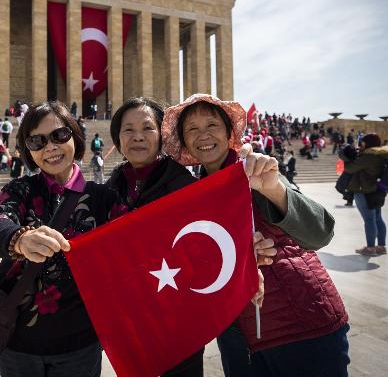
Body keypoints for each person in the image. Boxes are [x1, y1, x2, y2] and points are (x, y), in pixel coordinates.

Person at [162, 94, 348, 377]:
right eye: (192, 129)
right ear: (185, 142)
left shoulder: (254, 171)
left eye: (212, 125)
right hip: (238, 340)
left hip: (301, 326)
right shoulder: (194, 196)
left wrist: (273, 189)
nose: (203, 136)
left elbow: (320, 232)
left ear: (229, 133)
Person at [106, 97, 274, 376]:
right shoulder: (110, 186)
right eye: (128, 130)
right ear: (117, 137)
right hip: (133, 317)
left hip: (177, 318)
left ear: (161, 136)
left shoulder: (185, 185)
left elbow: (213, 240)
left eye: (147, 128)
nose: (137, 137)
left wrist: (247, 264)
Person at [0, 101, 121, 376]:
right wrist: (20, 238)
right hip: (19, 344)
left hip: (79, 345)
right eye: (37, 141)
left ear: (75, 136)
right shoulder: (20, 190)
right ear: (28, 150)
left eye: (59, 135)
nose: (50, 147)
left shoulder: (103, 198)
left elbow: (139, 236)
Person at [343, 133, 388, 254]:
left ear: (368, 143)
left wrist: (347, 157)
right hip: (377, 190)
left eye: (363, 142)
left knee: (369, 220)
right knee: (378, 218)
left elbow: (350, 168)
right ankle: (381, 246)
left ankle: (370, 248)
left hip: (364, 191)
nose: (361, 144)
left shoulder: (368, 156)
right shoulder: (381, 155)